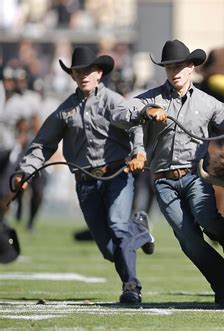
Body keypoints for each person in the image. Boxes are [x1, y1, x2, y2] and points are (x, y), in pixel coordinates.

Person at [111, 39, 224, 309]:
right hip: (163, 180)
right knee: (189, 240)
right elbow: (119, 114)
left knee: (208, 220)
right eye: (169, 67)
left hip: (195, 175)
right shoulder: (151, 98)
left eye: (180, 66)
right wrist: (146, 111)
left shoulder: (208, 103)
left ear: (192, 68)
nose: (175, 71)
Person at [11, 47, 155, 304]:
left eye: (88, 70)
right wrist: (24, 171)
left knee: (119, 228)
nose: (84, 75)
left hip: (116, 176)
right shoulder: (65, 110)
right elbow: (43, 144)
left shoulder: (114, 101)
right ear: (73, 75)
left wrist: (139, 152)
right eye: (78, 71)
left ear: (99, 73)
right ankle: (141, 230)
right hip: (85, 184)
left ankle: (131, 287)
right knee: (109, 250)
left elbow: (133, 125)